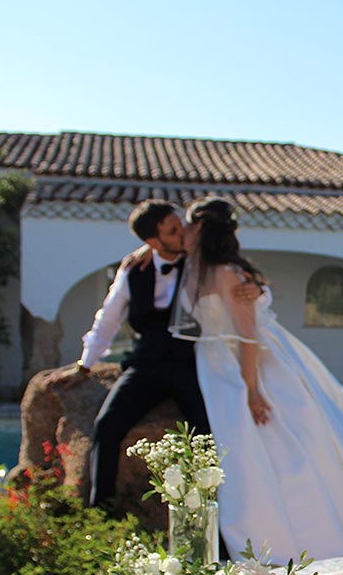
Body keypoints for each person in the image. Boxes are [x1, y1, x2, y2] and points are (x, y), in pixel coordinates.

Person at [178, 197, 343, 562]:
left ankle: (311, 527)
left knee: (291, 441)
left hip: (248, 367)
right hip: (217, 365)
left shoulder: (226, 274)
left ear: (201, 229)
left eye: (188, 225)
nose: (182, 231)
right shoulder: (193, 267)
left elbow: (247, 335)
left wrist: (252, 390)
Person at [59, 200, 259, 508]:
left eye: (181, 224)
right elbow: (108, 319)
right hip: (146, 366)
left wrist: (258, 289)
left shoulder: (200, 260)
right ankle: (102, 510)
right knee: (107, 425)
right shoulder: (132, 271)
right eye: (173, 230)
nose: (183, 232)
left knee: (207, 433)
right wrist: (85, 365)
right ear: (153, 241)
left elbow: (242, 283)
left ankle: (213, 515)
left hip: (192, 364)